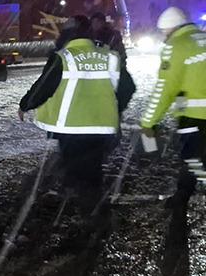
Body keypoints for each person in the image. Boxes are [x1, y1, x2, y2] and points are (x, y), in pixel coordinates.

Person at [18, 15, 135, 213]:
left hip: (72, 127)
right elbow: (128, 87)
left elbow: (44, 87)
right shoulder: (109, 56)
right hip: (101, 126)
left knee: (77, 168)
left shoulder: (63, 57)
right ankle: (89, 203)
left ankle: (90, 212)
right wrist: (114, 108)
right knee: (92, 167)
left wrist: (25, 105)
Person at [141, 7, 206, 201]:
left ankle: (182, 200)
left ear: (170, 28)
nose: (163, 37)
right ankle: (181, 195)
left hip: (193, 114)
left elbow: (165, 88)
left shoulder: (176, 45)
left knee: (192, 159)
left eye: (164, 32)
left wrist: (148, 121)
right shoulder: (202, 38)